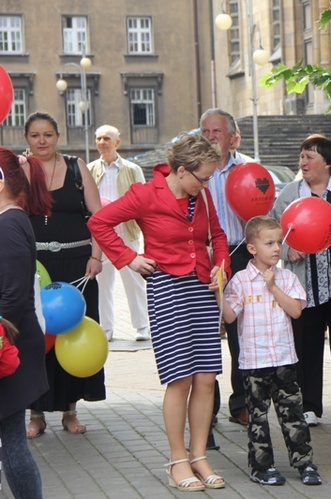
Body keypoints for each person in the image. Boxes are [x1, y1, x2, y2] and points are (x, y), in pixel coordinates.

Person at [88, 134, 229, 491]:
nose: (207, 184)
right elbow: (99, 223)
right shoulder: (145, 194)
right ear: (182, 171)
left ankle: (200, 456)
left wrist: (221, 267)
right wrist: (129, 259)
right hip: (166, 288)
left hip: (201, 287)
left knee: (207, 377)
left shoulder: (203, 195)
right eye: (203, 178)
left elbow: (219, 236)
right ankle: (178, 459)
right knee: (180, 377)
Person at [269, 134, 331, 428]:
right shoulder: (291, 193)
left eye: (310, 156)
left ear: (327, 163)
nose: (303, 162)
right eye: (302, 156)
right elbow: (272, 232)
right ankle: (309, 405)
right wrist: (288, 249)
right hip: (305, 287)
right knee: (307, 347)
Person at [219, 216, 322, 487]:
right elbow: (229, 317)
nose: (277, 248)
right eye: (269, 243)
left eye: (279, 242)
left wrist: (273, 286)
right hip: (254, 360)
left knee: (293, 415)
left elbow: (296, 310)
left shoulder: (286, 277)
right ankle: (261, 466)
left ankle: (305, 463)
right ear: (252, 248)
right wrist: (218, 292)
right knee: (258, 417)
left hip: (284, 358)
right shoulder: (241, 280)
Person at [23, 111, 104, 439]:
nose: (42, 141)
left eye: (48, 135)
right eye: (35, 135)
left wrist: (97, 257)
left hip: (77, 265)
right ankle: (36, 412)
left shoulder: (76, 167)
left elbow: (98, 218)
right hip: (34, 267)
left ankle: (70, 409)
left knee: (72, 335)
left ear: (58, 136)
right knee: (35, 339)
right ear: (27, 139)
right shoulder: (19, 171)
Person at [0, 149, 50, 499]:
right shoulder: (9, 221)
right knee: (11, 442)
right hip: (11, 343)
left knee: (13, 443)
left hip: (10, 346)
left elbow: (14, 296)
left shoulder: (10, 224)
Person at [200, 108, 253, 426]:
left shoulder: (248, 171)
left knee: (241, 334)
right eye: (204, 131)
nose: (209, 137)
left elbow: (263, 218)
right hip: (202, 258)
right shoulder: (192, 171)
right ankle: (208, 406)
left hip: (238, 255)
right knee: (206, 333)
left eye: (215, 131)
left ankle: (241, 403)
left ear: (233, 137)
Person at [87, 124, 149, 342]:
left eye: (106, 138)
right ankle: (106, 328)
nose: (102, 142)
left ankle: (142, 326)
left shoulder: (132, 169)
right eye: (98, 139)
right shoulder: (90, 168)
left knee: (134, 280)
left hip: (126, 230)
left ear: (117, 143)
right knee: (103, 282)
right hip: (100, 235)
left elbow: (143, 201)